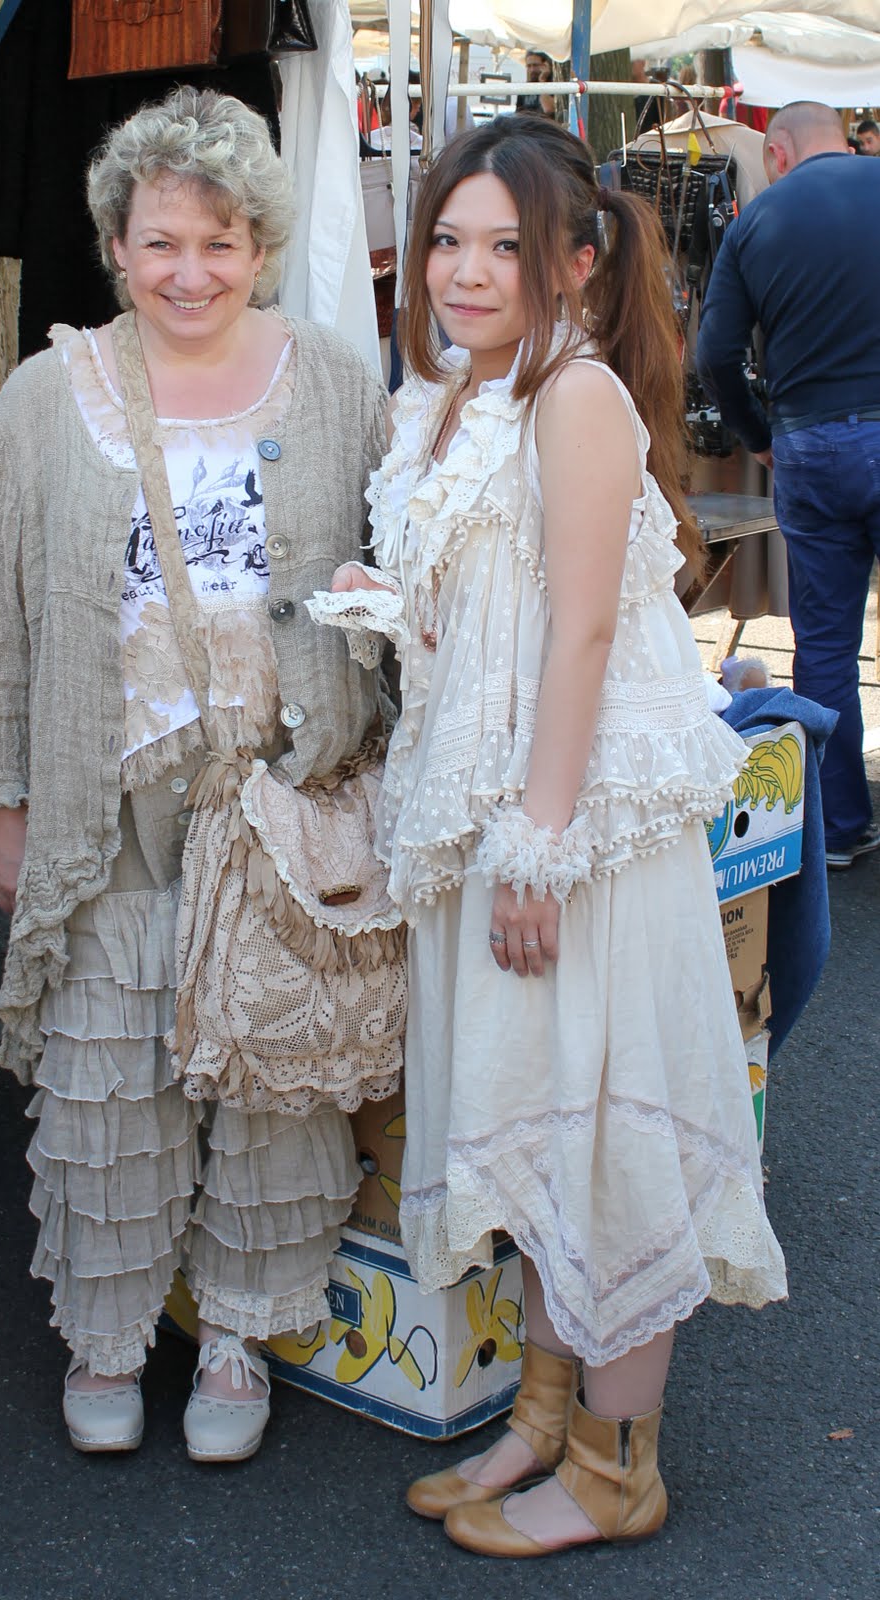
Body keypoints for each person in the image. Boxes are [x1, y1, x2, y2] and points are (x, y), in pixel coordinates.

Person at [320, 114, 786, 1560]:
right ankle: (539, 1414)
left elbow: (581, 631)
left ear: (576, 263)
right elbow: (493, 606)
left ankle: (614, 1464)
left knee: (598, 1131)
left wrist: (537, 846)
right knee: (529, 1117)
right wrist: (395, 603)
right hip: (488, 814)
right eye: (447, 241)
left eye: (503, 247)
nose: (463, 272)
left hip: (568, 831)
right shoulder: (454, 394)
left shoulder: (572, 395)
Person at [0, 87, 391, 1463]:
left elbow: (397, 577)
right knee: (106, 1076)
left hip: (281, 799)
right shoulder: (43, 399)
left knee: (270, 1073)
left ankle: (238, 1336)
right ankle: (108, 1335)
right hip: (109, 804)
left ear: (260, 246)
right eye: (160, 243)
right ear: (115, 247)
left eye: (218, 242)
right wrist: (1, 807)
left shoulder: (335, 383)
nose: (190, 272)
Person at [697, 100, 880, 870]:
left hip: (806, 444)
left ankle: (838, 827)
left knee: (826, 644)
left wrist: (759, 437)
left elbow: (714, 355)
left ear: (775, 152)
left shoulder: (756, 222)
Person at [521, 50, 556, 119]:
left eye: (535, 65)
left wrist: (542, 80)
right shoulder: (524, 89)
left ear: (545, 65)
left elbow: (548, 109)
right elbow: (518, 114)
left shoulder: (553, 85)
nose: (532, 70)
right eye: (529, 66)